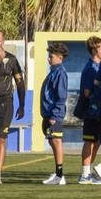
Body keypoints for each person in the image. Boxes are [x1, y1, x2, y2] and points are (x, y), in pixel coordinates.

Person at [0, 30, 26, 186]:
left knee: (0, 138)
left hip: (5, 104)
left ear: (3, 42)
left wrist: (22, 105)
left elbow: (20, 83)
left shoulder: (11, 59)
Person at [74, 37, 101, 184]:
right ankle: (85, 173)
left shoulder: (99, 66)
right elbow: (87, 92)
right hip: (91, 110)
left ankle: (89, 170)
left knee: (97, 141)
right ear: (95, 50)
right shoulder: (91, 69)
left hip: (99, 111)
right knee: (90, 141)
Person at [40, 43, 70, 185]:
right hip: (48, 113)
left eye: (51, 56)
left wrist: (54, 115)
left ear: (60, 57)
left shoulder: (60, 73)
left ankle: (59, 175)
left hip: (54, 114)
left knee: (57, 142)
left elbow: (61, 96)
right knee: (53, 141)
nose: (48, 59)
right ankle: (58, 173)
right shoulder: (54, 71)